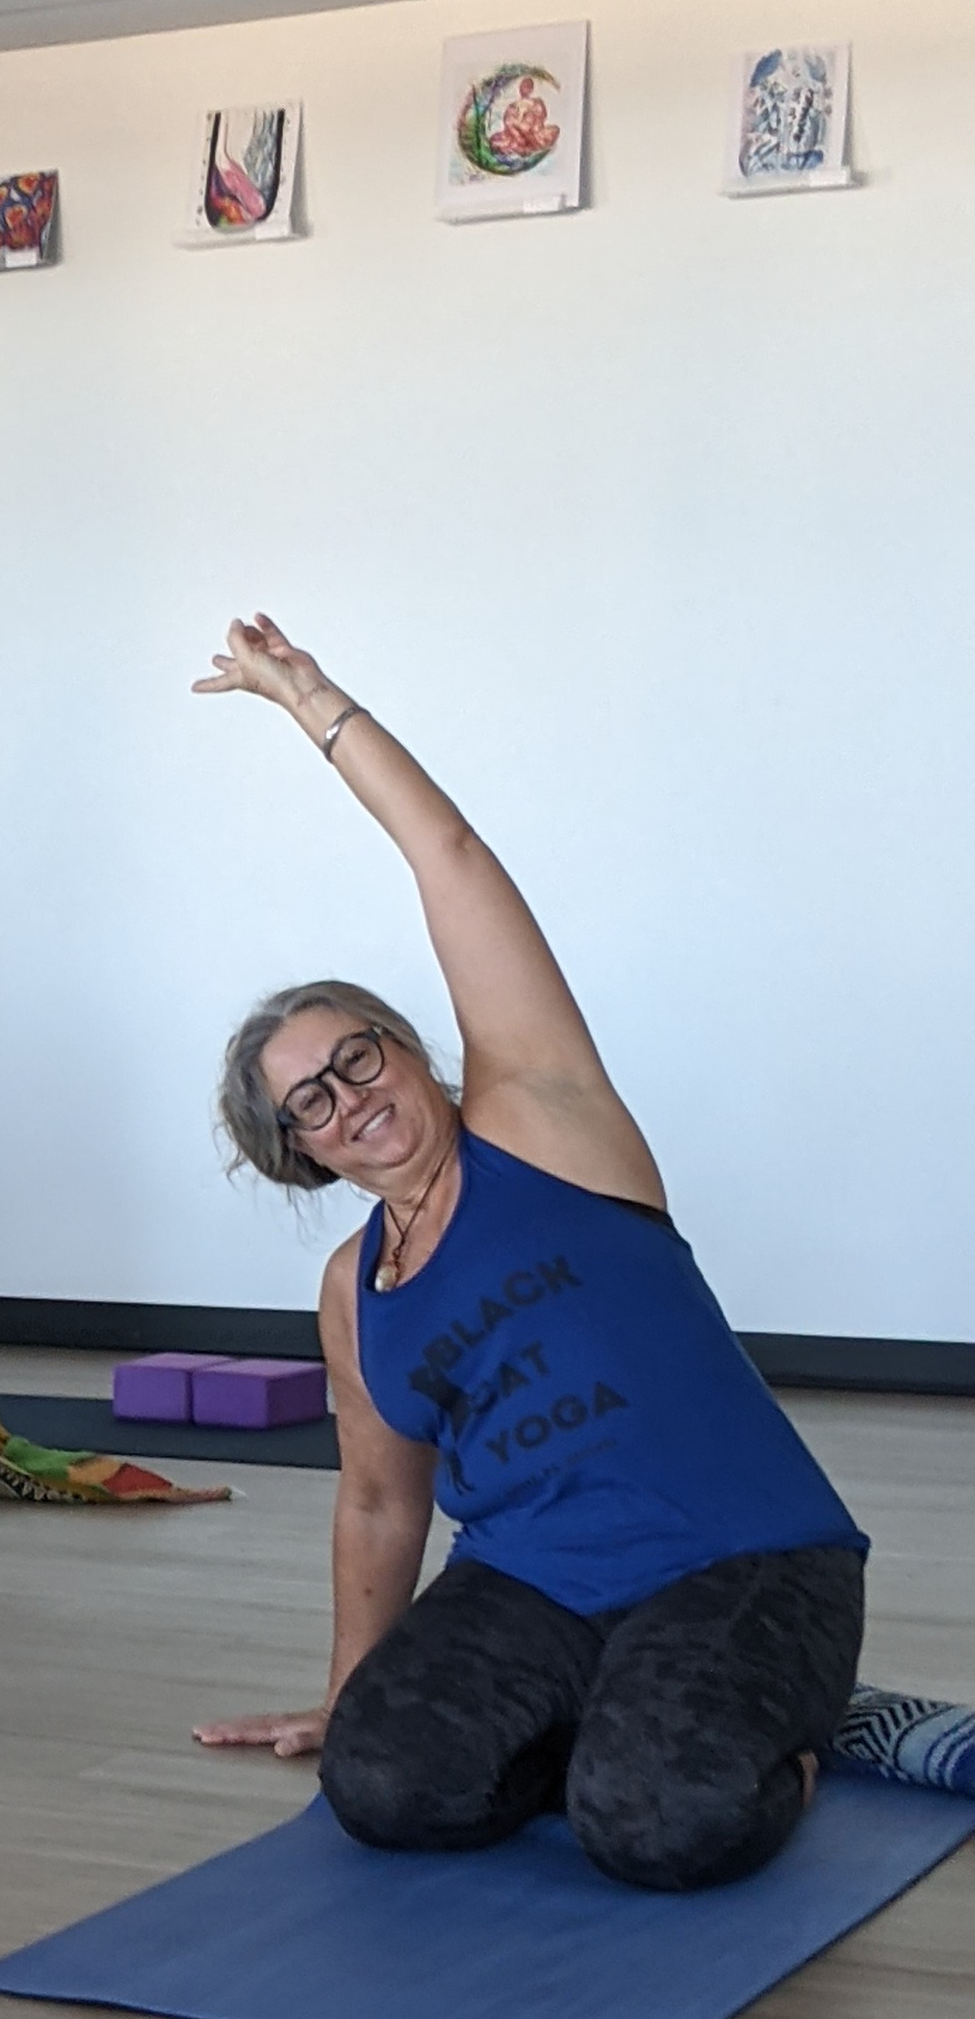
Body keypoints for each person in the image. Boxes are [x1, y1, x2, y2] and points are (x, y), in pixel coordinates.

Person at [190, 613, 866, 1892]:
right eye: (312, 1104)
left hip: (743, 1556)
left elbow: (450, 855)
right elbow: (382, 1500)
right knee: (381, 1785)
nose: (350, 1099)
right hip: (534, 1583)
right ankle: (628, 1715)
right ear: (301, 1151)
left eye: (359, 1056)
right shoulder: (355, 1288)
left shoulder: (546, 1122)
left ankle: (784, 1725)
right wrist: (352, 1694)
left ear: (409, 1047)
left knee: (660, 1823)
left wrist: (315, 703)